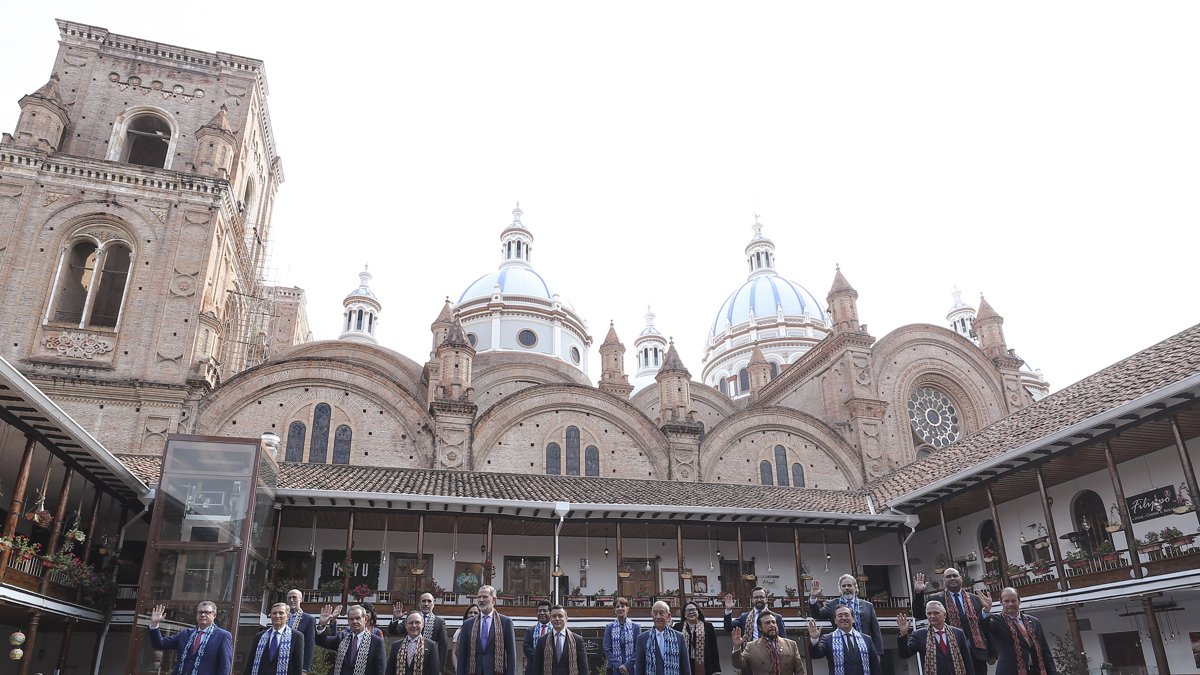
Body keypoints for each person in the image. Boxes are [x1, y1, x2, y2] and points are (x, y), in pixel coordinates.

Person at [912, 570, 992, 675]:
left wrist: (986, 611)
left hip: (976, 653)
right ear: (944, 580)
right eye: (948, 576)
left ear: (961, 578)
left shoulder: (975, 598)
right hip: (952, 653)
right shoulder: (936, 599)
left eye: (955, 576)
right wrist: (918, 593)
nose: (952, 578)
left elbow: (984, 627)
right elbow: (918, 613)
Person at [981, 588, 1056, 675]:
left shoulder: (1034, 621)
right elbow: (983, 627)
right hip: (1010, 671)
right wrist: (986, 611)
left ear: (1019, 601)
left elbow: (1045, 651)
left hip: (1037, 670)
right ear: (1000, 602)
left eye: (1013, 601)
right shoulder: (996, 621)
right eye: (1006, 601)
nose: (1010, 604)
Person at [146, 600, 233, 675]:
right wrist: (154, 624)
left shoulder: (223, 636)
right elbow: (160, 644)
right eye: (200, 612)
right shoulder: (185, 634)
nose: (202, 614)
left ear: (214, 615)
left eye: (207, 612)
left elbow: (224, 666)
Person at [807, 575, 882, 656]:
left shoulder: (867, 606)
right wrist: (813, 598)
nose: (846, 588)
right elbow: (817, 615)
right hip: (841, 648)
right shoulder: (832, 604)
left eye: (849, 585)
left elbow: (876, 631)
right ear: (840, 589)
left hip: (865, 648)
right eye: (844, 586)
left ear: (855, 588)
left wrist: (878, 654)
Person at [896, 602, 975, 675]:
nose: (932, 616)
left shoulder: (958, 633)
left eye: (936, 613)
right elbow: (904, 654)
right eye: (929, 613)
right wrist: (903, 634)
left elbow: (967, 660)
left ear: (944, 615)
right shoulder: (919, 635)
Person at [456, 585, 517, 675]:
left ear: (494, 599)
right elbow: (462, 656)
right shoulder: (468, 624)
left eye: (485, 597)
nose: (481, 600)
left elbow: (511, 655)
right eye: (479, 597)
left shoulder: (506, 622)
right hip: (472, 671)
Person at [806, 607, 880, 675]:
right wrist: (814, 639)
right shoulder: (828, 639)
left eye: (847, 615)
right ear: (835, 620)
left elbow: (875, 666)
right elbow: (815, 655)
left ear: (853, 619)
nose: (844, 618)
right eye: (840, 616)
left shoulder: (866, 639)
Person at [317, 604, 386, 675]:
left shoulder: (376, 642)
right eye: (351, 619)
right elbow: (322, 641)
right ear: (348, 621)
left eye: (358, 618)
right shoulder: (342, 638)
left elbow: (381, 670)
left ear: (365, 619)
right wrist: (322, 625)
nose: (354, 621)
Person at [392, 594, 451, 671]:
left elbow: (443, 647)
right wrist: (396, 619)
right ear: (419, 604)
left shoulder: (439, 622)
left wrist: (439, 669)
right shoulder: (411, 618)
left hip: (428, 662)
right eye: (424, 601)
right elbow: (394, 631)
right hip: (409, 660)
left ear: (433, 604)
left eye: (429, 601)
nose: (426, 604)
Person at [731, 612, 803, 675]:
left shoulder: (791, 645)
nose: (772, 625)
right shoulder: (751, 646)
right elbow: (738, 664)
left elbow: (799, 671)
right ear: (760, 627)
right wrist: (737, 647)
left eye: (773, 622)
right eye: (767, 623)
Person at [244, 602, 306, 675]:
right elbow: (250, 662)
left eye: (281, 613)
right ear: (271, 616)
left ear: (288, 616)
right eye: (274, 613)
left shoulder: (297, 636)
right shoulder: (260, 636)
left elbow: (297, 666)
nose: (277, 616)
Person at [634, 601, 692, 675]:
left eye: (661, 613)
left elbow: (685, 668)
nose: (658, 617)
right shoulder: (642, 638)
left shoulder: (679, 637)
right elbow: (639, 669)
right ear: (652, 615)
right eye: (655, 613)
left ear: (668, 615)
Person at [531, 606, 589, 675]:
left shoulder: (577, 640)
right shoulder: (542, 640)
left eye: (560, 616)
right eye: (554, 616)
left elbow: (583, 668)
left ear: (566, 618)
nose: (557, 619)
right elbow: (536, 668)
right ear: (550, 619)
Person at [386, 610, 443, 675]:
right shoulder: (396, 645)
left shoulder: (431, 646)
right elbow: (389, 671)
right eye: (411, 623)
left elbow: (434, 671)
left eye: (417, 622)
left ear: (422, 625)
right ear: (406, 625)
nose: (414, 625)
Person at [674, 601, 720, 675]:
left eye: (693, 610)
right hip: (684, 664)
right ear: (684, 614)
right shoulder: (677, 627)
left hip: (704, 665)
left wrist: (716, 670)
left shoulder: (708, 626)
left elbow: (714, 649)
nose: (691, 612)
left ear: (698, 612)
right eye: (688, 610)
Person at [723, 587, 788, 640]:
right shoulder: (744, 617)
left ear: (766, 599)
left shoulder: (776, 617)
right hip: (750, 653)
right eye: (756, 597)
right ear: (752, 600)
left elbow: (783, 639)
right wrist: (728, 610)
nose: (759, 599)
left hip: (771, 654)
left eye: (761, 597)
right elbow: (728, 628)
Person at [603, 598, 639, 675]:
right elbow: (607, 649)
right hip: (614, 668)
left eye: (622, 606)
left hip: (632, 668)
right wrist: (619, 666)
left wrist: (627, 666)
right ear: (615, 610)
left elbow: (638, 649)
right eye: (617, 606)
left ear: (627, 609)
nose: (620, 609)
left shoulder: (636, 627)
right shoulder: (609, 627)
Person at [286, 589, 318, 675]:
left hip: (296, 664)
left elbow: (309, 645)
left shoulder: (309, 619)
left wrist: (304, 669)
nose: (291, 600)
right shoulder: (282, 617)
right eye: (289, 598)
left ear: (301, 599)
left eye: (294, 597)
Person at [523, 601, 553, 675]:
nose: (542, 613)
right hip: (533, 668)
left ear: (550, 613)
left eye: (545, 611)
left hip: (551, 668)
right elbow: (526, 648)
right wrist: (539, 657)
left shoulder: (555, 631)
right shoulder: (530, 631)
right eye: (539, 611)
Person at [451, 605, 482, 675]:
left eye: (475, 613)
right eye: (470, 612)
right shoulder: (459, 632)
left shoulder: (484, 632)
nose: (472, 615)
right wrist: (457, 668)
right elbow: (454, 653)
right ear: (466, 615)